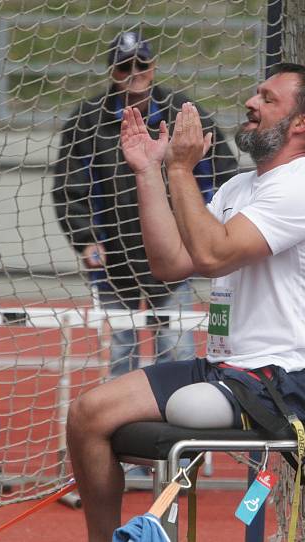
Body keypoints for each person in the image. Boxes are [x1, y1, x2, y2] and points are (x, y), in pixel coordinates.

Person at [67, 63, 305, 541]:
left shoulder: (304, 186)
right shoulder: (239, 187)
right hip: (226, 368)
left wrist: (179, 167)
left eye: (268, 99)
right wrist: (150, 171)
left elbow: (213, 254)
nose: (251, 104)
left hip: (288, 377)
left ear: (301, 123)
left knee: (191, 409)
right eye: (255, 94)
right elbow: (170, 262)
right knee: (88, 413)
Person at [53, 32, 238, 379]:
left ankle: (173, 426)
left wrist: (205, 230)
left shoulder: (184, 112)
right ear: (112, 71)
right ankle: (122, 428)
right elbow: (68, 188)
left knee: (177, 350)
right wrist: (86, 238)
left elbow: (222, 174)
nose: (134, 73)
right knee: (122, 353)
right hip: (114, 261)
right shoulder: (86, 121)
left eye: (141, 64)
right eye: (124, 67)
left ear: (153, 67)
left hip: (175, 256)